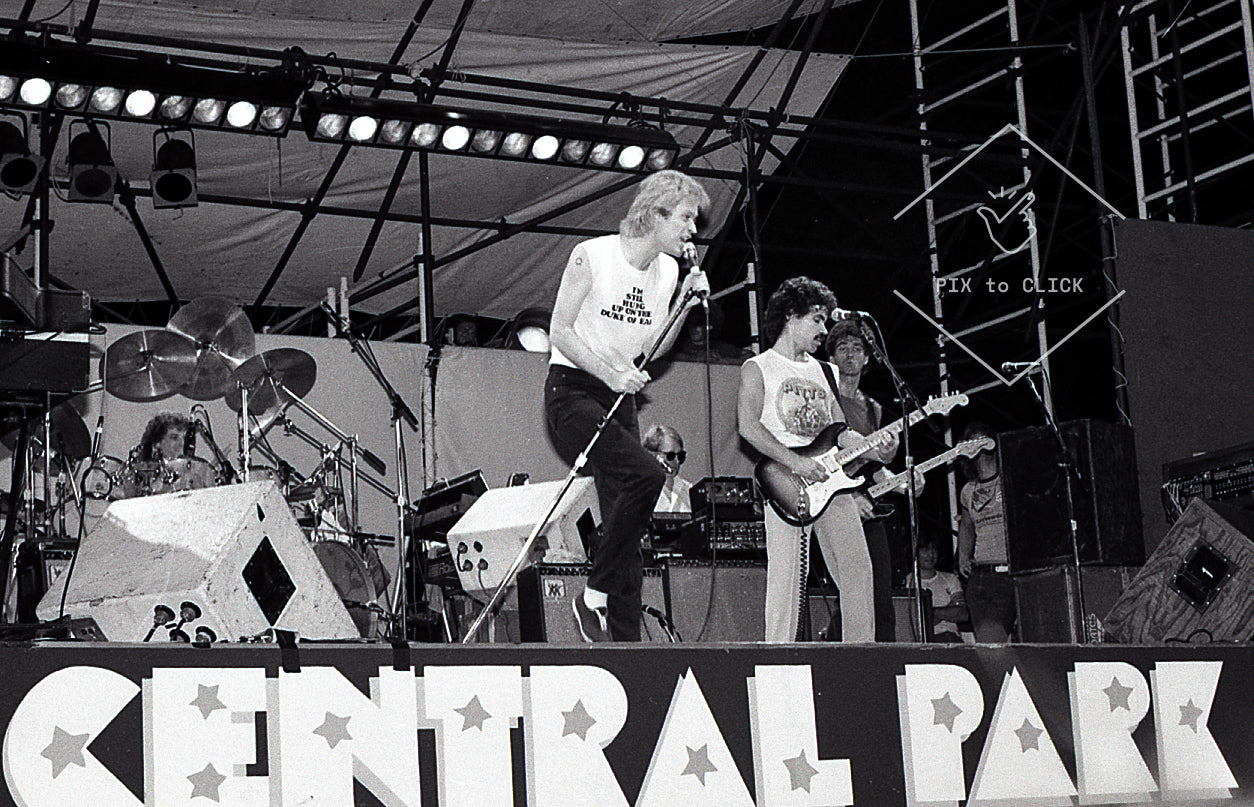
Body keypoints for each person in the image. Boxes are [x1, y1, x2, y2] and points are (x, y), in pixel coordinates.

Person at [545, 169, 711, 642]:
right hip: (573, 391)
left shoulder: (668, 272)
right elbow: (559, 331)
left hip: (619, 399)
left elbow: (654, 349)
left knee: (629, 530)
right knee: (649, 475)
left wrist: (683, 304)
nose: (692, 230)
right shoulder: (593, 256)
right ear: (656, 214)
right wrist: (612, 374)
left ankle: (626, 646)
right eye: (685, 218)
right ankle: (593, 596)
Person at [737, 277, 875, 643]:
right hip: (786, 481)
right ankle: (778, 657)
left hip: (831, 481)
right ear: (791, 316)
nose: (824, 329)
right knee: (786, 581)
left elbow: (838, 428)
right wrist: (795, 463)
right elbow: (748, 427)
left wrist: (866, 443)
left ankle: (863, 654)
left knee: (858, 572)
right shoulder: (758, 367)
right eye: (816, 319)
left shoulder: (824, 371)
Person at [824, 318, 906, 642]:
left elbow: (870, 467)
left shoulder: (873, 409)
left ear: (868, 357)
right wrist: (850, 497)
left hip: (866, 506)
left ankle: (883, 662)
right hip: (830, 503)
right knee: (851, 594)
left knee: (880, 596)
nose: (850, 354)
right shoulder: (825, 401)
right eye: (842, 347)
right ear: (831, 356)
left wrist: (900, 481)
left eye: (857, 348)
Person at [956, 422, 1015, 642]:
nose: (976, 445)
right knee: (988, 643)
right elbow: (966, 525)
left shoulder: (1009, 480)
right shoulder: (968, 490)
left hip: (1008, 572)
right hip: (980, 576)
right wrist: (963, 557)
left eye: (980, 439)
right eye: (971, 441)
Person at [121, 412, 215, 498]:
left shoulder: (196, 470)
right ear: (157, 443)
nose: (181, 443)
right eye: (174, 438)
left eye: (184, 438)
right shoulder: (141, 472)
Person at [906, 540, 968, 643]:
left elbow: (962, 614)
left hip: (948, 637)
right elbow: (912, 621)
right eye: (926, 549)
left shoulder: (950, 579)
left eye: (934, 549)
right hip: (919, 641)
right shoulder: (908, 582)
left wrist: (930, 612)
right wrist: (948, 610)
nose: (931, 554)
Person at [643, 424, 692, 514]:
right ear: (654, 455)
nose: (677, 461)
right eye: (670, 456)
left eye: (680, 456)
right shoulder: (642, 490)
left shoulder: (689, 490)